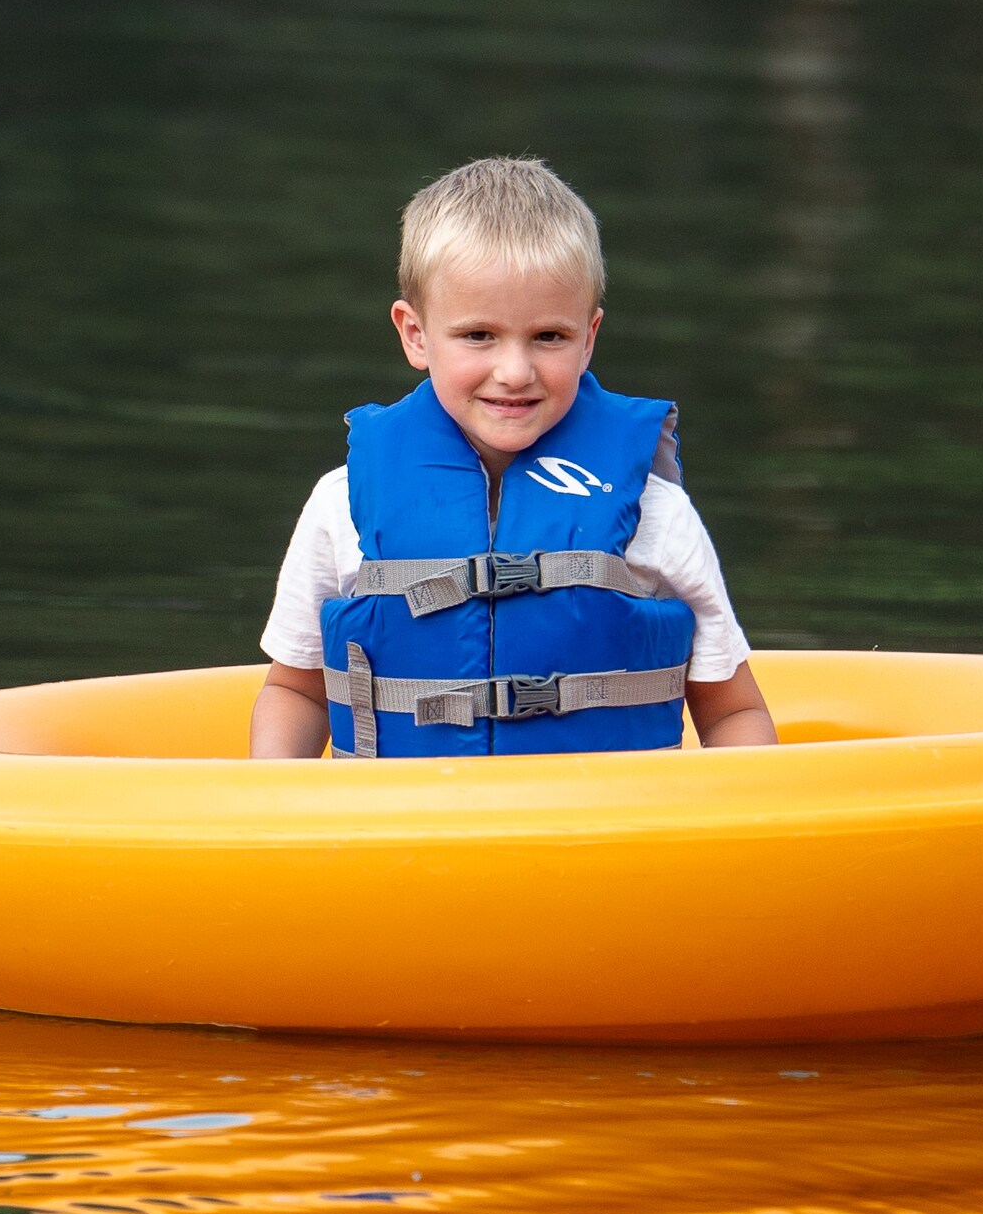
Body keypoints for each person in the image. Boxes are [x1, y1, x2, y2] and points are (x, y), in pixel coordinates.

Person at [248, 153, 780, 763]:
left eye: (549, 337)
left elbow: (732, 710)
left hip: (606, 821)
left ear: (588, 339)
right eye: (479, 335)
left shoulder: (655, 514)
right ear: (415, 334)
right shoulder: (340, 504)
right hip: (400, 821)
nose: (514, 371)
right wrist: (274, 800)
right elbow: (297, 690)